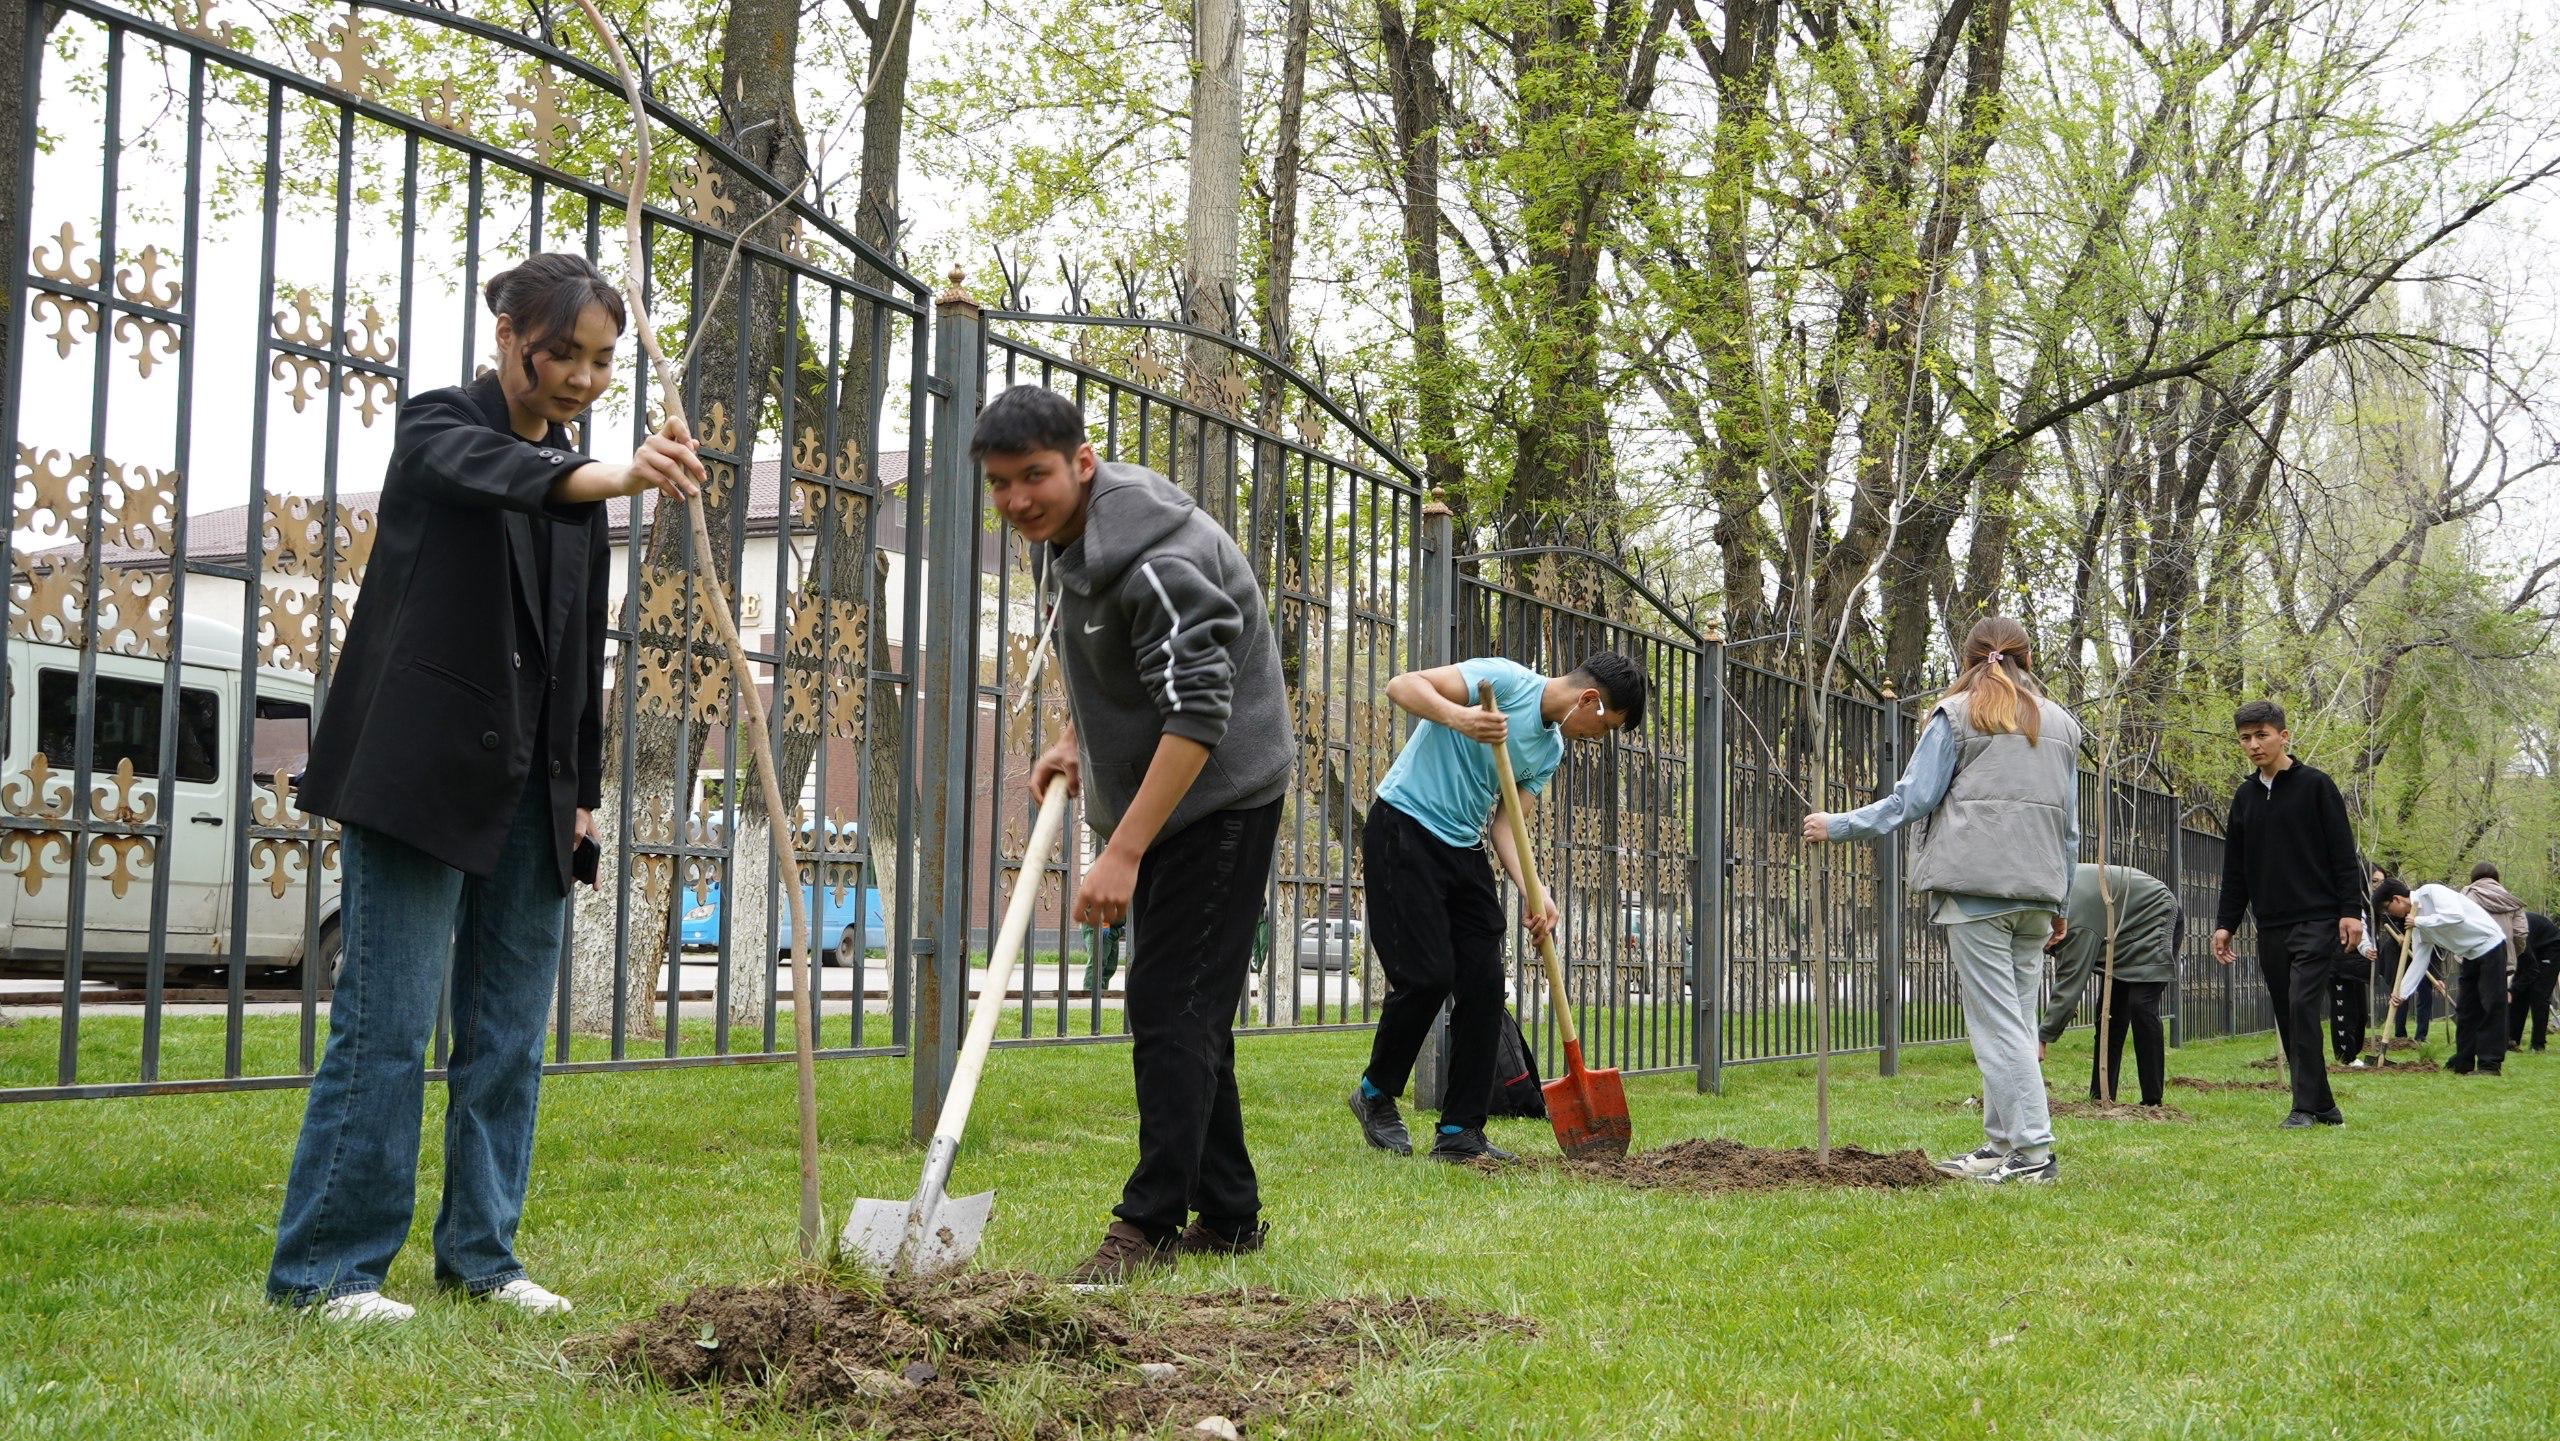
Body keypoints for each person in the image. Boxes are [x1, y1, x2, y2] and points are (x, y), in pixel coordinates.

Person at [268, 255, 706, 1322]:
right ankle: (328, 1270)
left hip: (534, 788)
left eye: (605, 362)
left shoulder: (576, 485)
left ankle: (483, 1256)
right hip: (419, 775)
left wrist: (584, 786)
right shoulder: (436, 428)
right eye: (568, 355)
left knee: (507, 1035)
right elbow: (496, 471)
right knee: (385, 1026)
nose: (586, 380)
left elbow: (573, 648)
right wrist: (613, 476)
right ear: (510, 333)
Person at [993, 385, 1296, 1284]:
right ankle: (1231, 1215)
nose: (1017, 500)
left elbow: (1198, 715)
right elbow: (1114, 670)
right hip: (1171, 784)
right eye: (1001, 483)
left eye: (1035, 476)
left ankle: (1150, 1221)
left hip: (1224, 791)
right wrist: (1074, 741)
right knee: (1188, 1004)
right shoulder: (1066, 542)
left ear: (1082, 463)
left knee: (1171, 1006)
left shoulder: (1159, 560)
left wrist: (1120, 848)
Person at [1805, 617, 2080, 1186]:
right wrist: (2061, 899)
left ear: (1969, 658)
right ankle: (2000, 1144)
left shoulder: (1956, 715)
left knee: (1996, 1025)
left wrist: (1840, 825)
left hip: (1978, 894)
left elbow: (1915, 797)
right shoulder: (2062, 724)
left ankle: (2033, 1155)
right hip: (2037, 894)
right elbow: (2069, 826)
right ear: (2027, 657)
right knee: (2017, 1022)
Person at [1345, 653, 1647, 1164]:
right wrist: (1463, 717)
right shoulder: (1506, 681)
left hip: (1462, 847)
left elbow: (1505, 825)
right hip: (1405, 824)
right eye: (1603, 728)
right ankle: (1375, 1092)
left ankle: (1461, 1129)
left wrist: (1537, 889)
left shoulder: (1549, 749)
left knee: (1484, 984)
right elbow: (1402, 684)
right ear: (1590, 700)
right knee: (1428, 975)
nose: (1595, 740)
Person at [2210, 700, 2364, 1130]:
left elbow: (2342, 854)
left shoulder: (2316, 785)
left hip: (2317, 918)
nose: (2254, 745)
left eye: (2262, 735)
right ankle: (2325, 1105)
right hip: (2270, 923)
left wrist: (2350, 912)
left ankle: (2303, 1107)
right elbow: (2235, 868)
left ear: (2283, 735)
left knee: (2300, 1004)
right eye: (2245, 738)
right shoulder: (2244, 797)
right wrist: (2226, 923)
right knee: (2286, 1010)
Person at [2036, 864, 2179, 1107]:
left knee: (2141, 1005)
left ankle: (2152, 1102)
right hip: (2119, 921)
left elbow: (2070, 982)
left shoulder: (2074, 922)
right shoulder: (2052, 898)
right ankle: (2101, 1095)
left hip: (2154, 911)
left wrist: (2042, 1037)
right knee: (2109, 1014)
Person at [2375, 880, 2511, 1075]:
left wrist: (2420, 921)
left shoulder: (2431, 893)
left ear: (2397, 899)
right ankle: (2463, 1062)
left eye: (2388, 909)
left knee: (2491, 1005)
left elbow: (2455, 916)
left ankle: (2490, 1064)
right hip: (2469, 955)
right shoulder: (2415, 925)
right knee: (2466, 1009)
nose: (2391, 914)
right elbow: (2420, 959)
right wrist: (2402, 993)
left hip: (2490, 944)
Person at [2510, 911, 2559, 1054]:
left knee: (2539, 994)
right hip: (2531, 948)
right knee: (2519, 994)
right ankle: (2512, 1041)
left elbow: (2532, 970)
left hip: (2551, 947)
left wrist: (2511, 991)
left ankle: (2538, 1044)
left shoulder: (2516, 933)